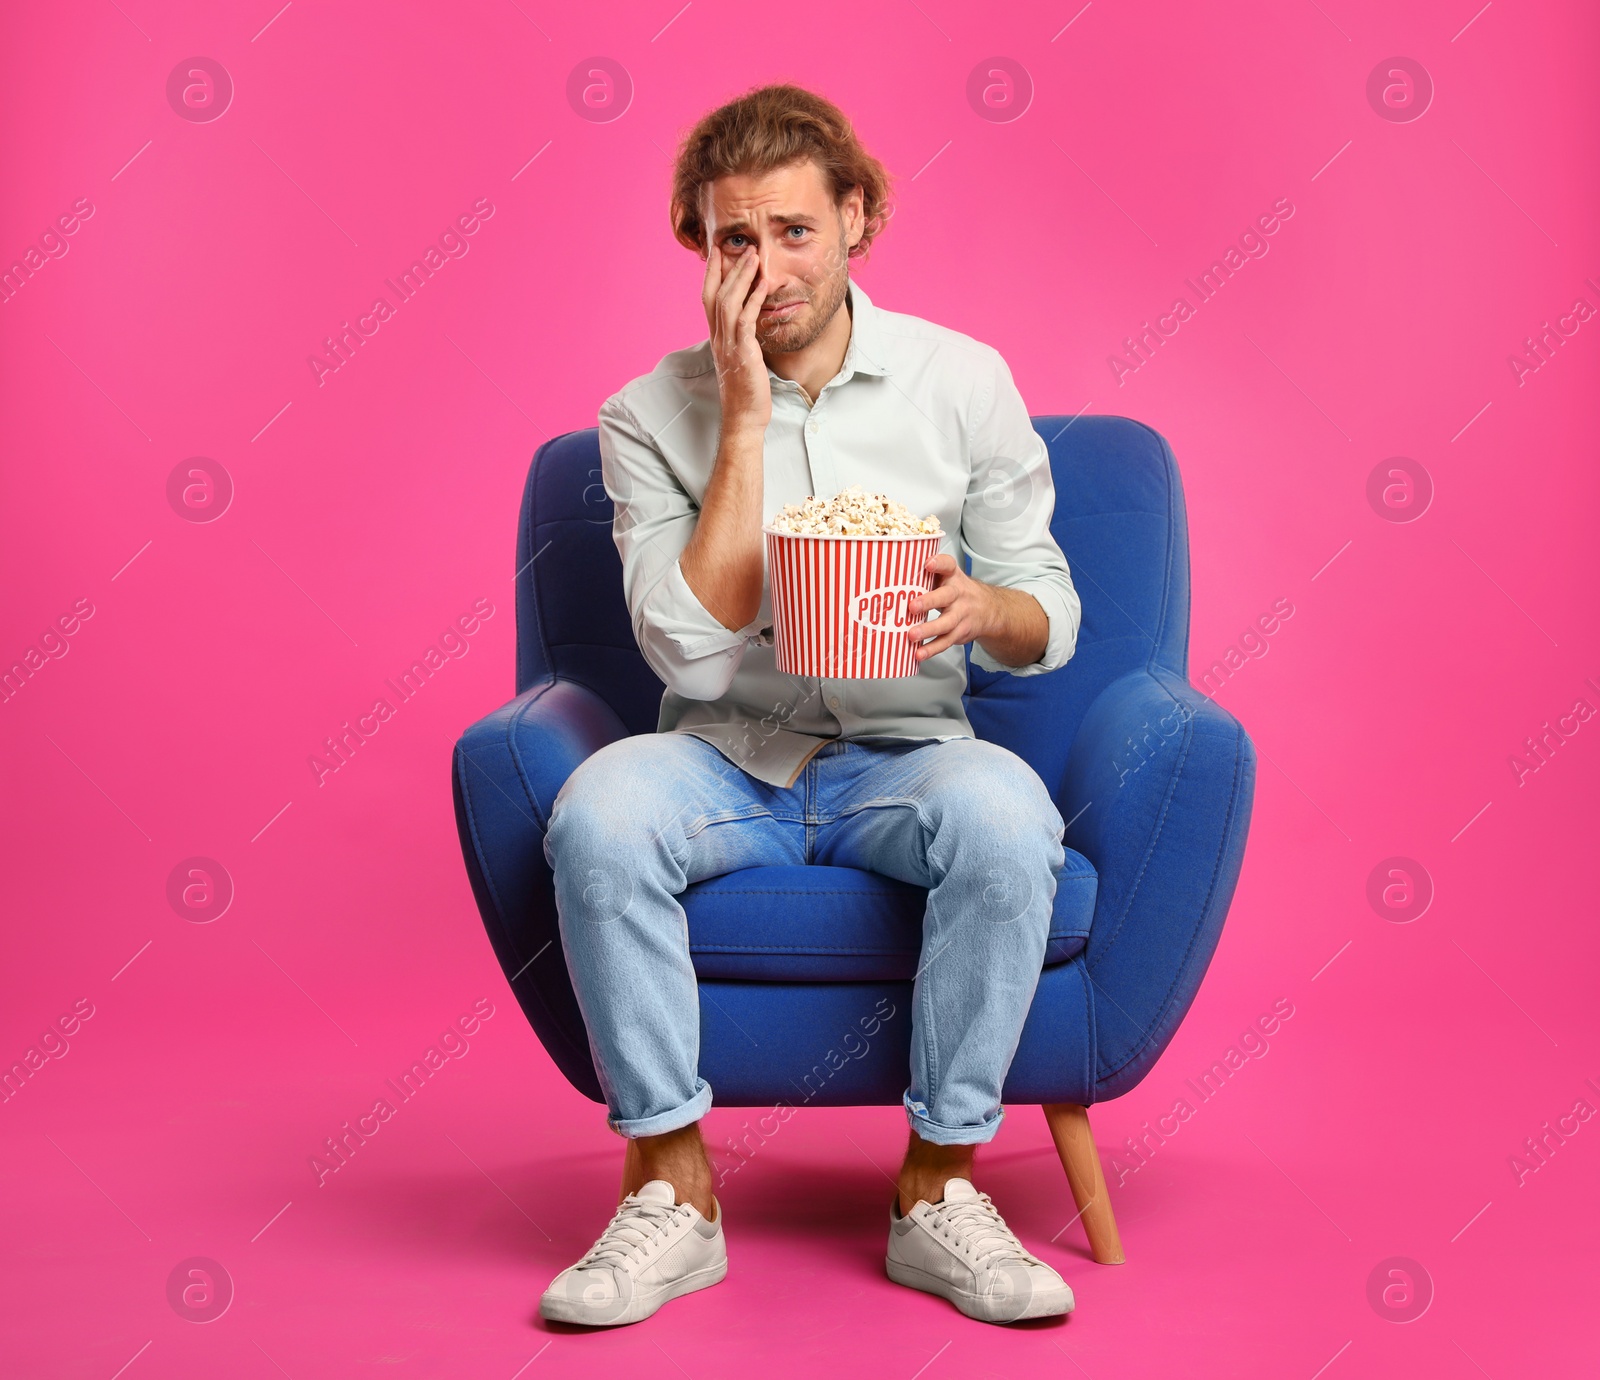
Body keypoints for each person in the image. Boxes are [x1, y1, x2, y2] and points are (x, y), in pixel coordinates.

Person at [539, 82, 1083, 1328]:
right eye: (737, 238)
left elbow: (1049, 614)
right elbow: (683, 652)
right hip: (723, 753)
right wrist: (742, 409)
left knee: (1007, 820)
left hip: (908, 749)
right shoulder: (645, 414)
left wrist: (976, 607)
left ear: (855, 218)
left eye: (794, 230)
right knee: (596, 816)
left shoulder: (962, 379)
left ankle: (938, 1188)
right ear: (698, 247)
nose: (769, 265)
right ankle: (674, 1196)